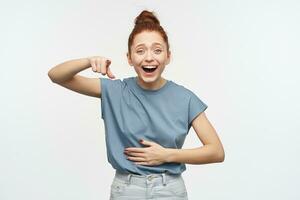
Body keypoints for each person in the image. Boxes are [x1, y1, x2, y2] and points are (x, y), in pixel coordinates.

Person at [48, 9, 225, 200]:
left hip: (170, 189)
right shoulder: (115, 91)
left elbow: (216, 151)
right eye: (140, 51)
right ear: (129, 58)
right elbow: (56, 76)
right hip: (127, 189)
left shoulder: (185, 98)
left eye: (157, 50)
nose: (149, 57)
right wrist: (88, 61)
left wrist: (166, 155)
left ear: (168, 56)